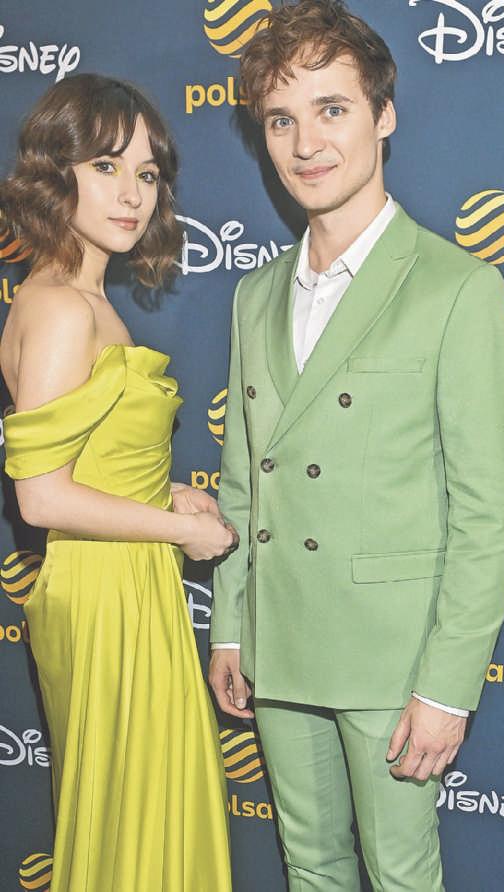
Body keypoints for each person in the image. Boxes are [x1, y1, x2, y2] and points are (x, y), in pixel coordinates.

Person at [209, 2, 504, 890]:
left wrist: (447, 686)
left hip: (394, 659)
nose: (306, 143)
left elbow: (489, 513)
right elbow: (243, 483)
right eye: (281, 119)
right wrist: (231, 626)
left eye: (332, 109)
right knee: (309, 866)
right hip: (279, 642)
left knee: (400, 875)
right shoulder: (253, 295)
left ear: (383, 115)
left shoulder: (457, 289)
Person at [0, 74, 235, 892]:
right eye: (106, 166)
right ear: (54, 172)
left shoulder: (79, 297)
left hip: (123, 580)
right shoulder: (64, 308)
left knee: (135, 813)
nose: (133, 194)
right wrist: (182, 530)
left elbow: (85, 464)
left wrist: (165, 496)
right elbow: (40, 496)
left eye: (147, 172)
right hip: (107, 595)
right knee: (130, 822)